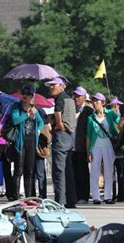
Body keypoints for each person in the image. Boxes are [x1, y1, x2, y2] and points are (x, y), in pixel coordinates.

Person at [10, 83, 45, 204]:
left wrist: (39, 129)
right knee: (18, 170)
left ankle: (29, 197)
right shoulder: (16, 106)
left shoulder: (34, 108)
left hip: (31, 142)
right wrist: (27, 114)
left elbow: (41, 122)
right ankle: (16, 198)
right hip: (20, 142)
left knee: (30, 171)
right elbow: (15, 120)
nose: (25, 96)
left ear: (32, 96)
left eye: (28, 94)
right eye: (23, 93)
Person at [46, 77, 77, 208]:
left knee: (59, 170)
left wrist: (58, 123)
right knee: (69, 170)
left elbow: (58, 112)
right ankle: (71, 199)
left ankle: (60, 201)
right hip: (70, 136)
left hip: (61, 135)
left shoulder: (59, 99)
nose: (51, 87)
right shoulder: (70, 99)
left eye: (54, 85)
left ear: (61, 86)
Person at [86, 92, 120, 204]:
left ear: (103, 103)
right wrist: (88, 151)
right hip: (95, 146)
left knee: (109, 171)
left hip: (108, 145)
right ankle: (96, 196)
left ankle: (108, 196)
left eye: (97, 101)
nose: (95, 104)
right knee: (95, 171)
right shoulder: (91, 118)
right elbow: (88, 136)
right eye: (93, 101)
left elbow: (120, 122)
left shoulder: (110, 114)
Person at [72, 86, 94, 204]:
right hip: (72, 145)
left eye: (79, 96)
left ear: (84, 97)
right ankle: (75, 194)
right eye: (75, 96)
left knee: (83, 172)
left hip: (82, 146)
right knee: (74, 171)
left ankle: (83, 196)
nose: (76, 98)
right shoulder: (72, 109)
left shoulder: (88, 111)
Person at [108, 97, 124, 202]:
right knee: (118, 172)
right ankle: (118, 194)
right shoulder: (114, 115)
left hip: (115, 146)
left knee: (114, 172)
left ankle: (116, 194)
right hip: (116, 146)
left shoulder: (111, 114)